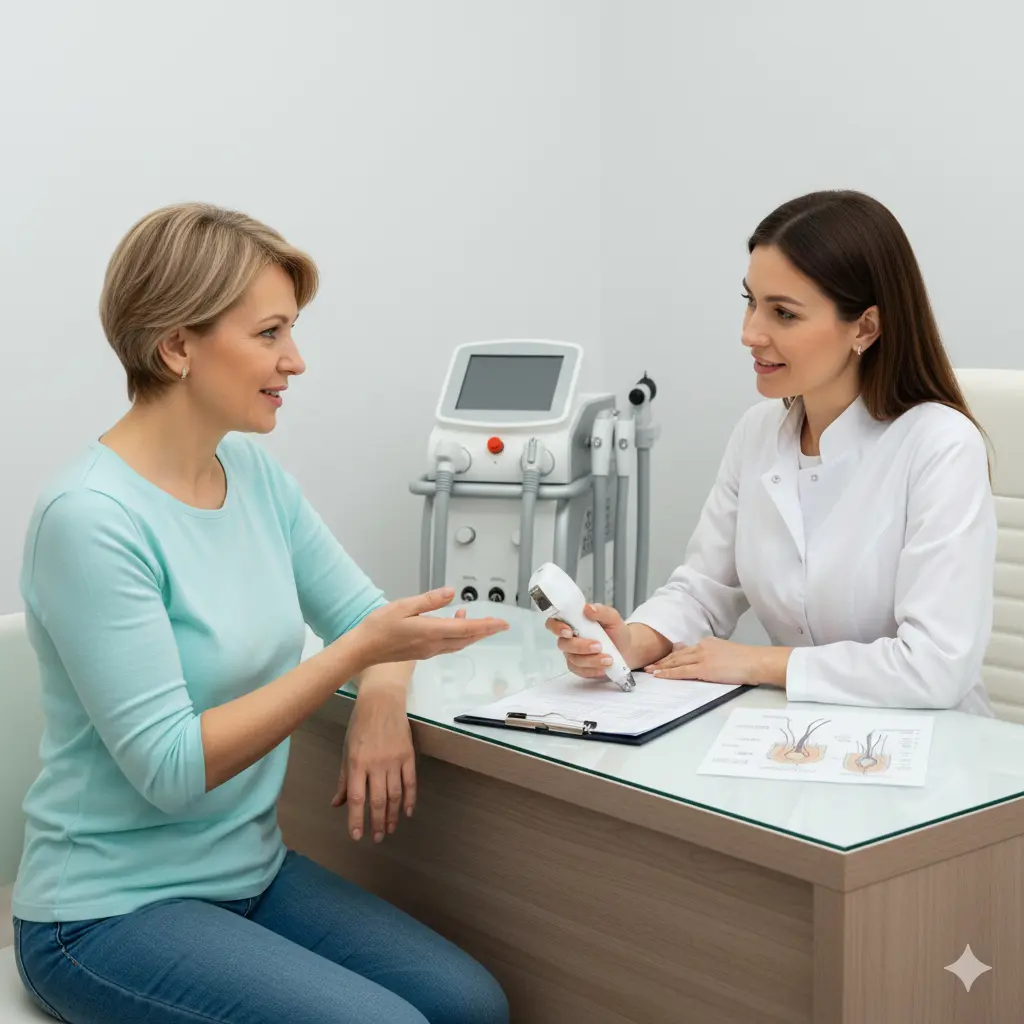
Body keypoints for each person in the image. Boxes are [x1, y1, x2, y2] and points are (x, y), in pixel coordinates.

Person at [12, 203, 511, 1024]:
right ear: (178, 346)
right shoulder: (90, 519)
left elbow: (367, 617)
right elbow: (171, 769)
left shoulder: (251, 472)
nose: (297, 361)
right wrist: (354, 658)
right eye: (271, 333)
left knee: (469, 1005)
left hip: (247, 874)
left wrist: (381, 699)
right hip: (102, 915)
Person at [551, 190, 996, 716]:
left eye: (783, 313)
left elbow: (934, 667)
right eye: (750, 301)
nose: (749, 334)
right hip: (797, 734)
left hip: (932, 750)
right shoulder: (758, 433)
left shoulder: (939, 445)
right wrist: (633, 641)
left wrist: (759, 664)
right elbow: (703, 590)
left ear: (866, 327)